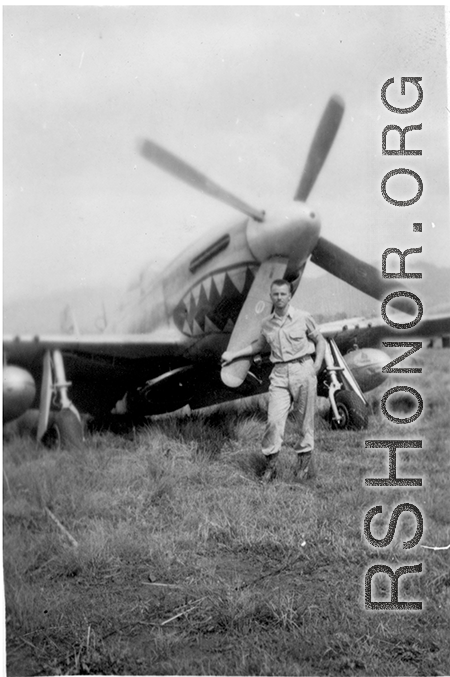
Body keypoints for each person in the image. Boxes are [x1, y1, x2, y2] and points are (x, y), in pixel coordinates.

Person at [221, 278, 326, 482]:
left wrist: (316, 365)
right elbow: (258, 346)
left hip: (302, 370)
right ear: (271, 296)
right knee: (273, 421)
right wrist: (233, 355)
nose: (279, 297)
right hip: (278, 374)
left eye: (283, 294)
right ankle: (271, 467)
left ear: (289, 295)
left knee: (304, 423)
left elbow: (320, 340)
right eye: (275, 294)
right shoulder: (266, 323)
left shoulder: (303, 317)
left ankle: (303, 467)